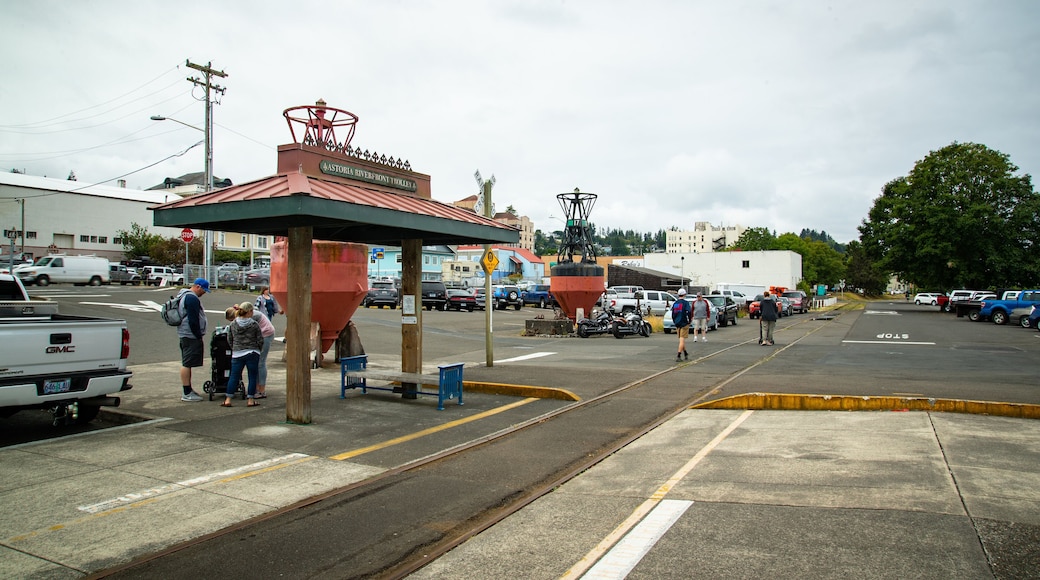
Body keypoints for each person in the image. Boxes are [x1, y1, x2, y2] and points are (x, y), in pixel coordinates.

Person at [226, 302, 275, 399]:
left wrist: (236, 348)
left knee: (261, 362)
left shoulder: (251, 320)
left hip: (265, 333)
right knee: (253, 371)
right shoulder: (247, 318)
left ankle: (261, 390)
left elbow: (256, 337)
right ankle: (252, 393)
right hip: (253, 345)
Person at [223, 301, 264, 407]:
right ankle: (250, 400)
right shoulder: (254, 324)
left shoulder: (233, 324)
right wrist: (258, 349)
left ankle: (228, 399)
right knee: (252, 376)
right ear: (249, 312)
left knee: (234, 376)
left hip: (237, 353)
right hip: (252, 352)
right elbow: (260, 339)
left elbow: (229, 338)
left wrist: (235, 348)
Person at [178, 278, 210, 402]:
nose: (204, 293)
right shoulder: (191, 298)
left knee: (188, 362)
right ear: (198, 286)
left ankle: (188, 389)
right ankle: (186, 392)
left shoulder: (184, 296)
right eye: (204, 290)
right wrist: (198, 334)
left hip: (185, 334)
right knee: (187, 362)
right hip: (190, 335)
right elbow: (193, 319)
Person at [671, 288, 692, 362]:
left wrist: (674, 321)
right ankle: (678, 355)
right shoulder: (685, 303)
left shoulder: (675, 303)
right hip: (684, 322)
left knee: (681, 339)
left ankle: (685, 353)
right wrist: (689, 320)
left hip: (677, 322)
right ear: (684, 294)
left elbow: (673, 313)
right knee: (682, 339)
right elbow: (689, 312)